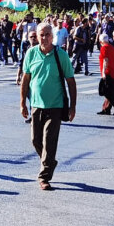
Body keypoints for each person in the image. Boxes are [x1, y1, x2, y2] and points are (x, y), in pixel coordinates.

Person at [19, 22, 77, 191]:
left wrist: (73, 106)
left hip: (55, 106)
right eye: (41, 35)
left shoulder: (61, 55)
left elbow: (71, 82)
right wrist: (22, 102)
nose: (44, 38)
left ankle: (44, 176)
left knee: (49, 141)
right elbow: (25, 79)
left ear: (52, 36)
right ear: (37, 37)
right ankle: (50, 161)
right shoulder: (31, 53)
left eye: (47, 35)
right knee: (35, 140)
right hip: (36, 104)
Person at [97, 33, 114, 115]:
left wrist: (103, 72)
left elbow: (106, 60)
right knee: (109, 91)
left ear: (101, 41)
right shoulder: (112, 47)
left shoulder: (104, 48)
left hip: (108, 72)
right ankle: (106, 109)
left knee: (106, 91)